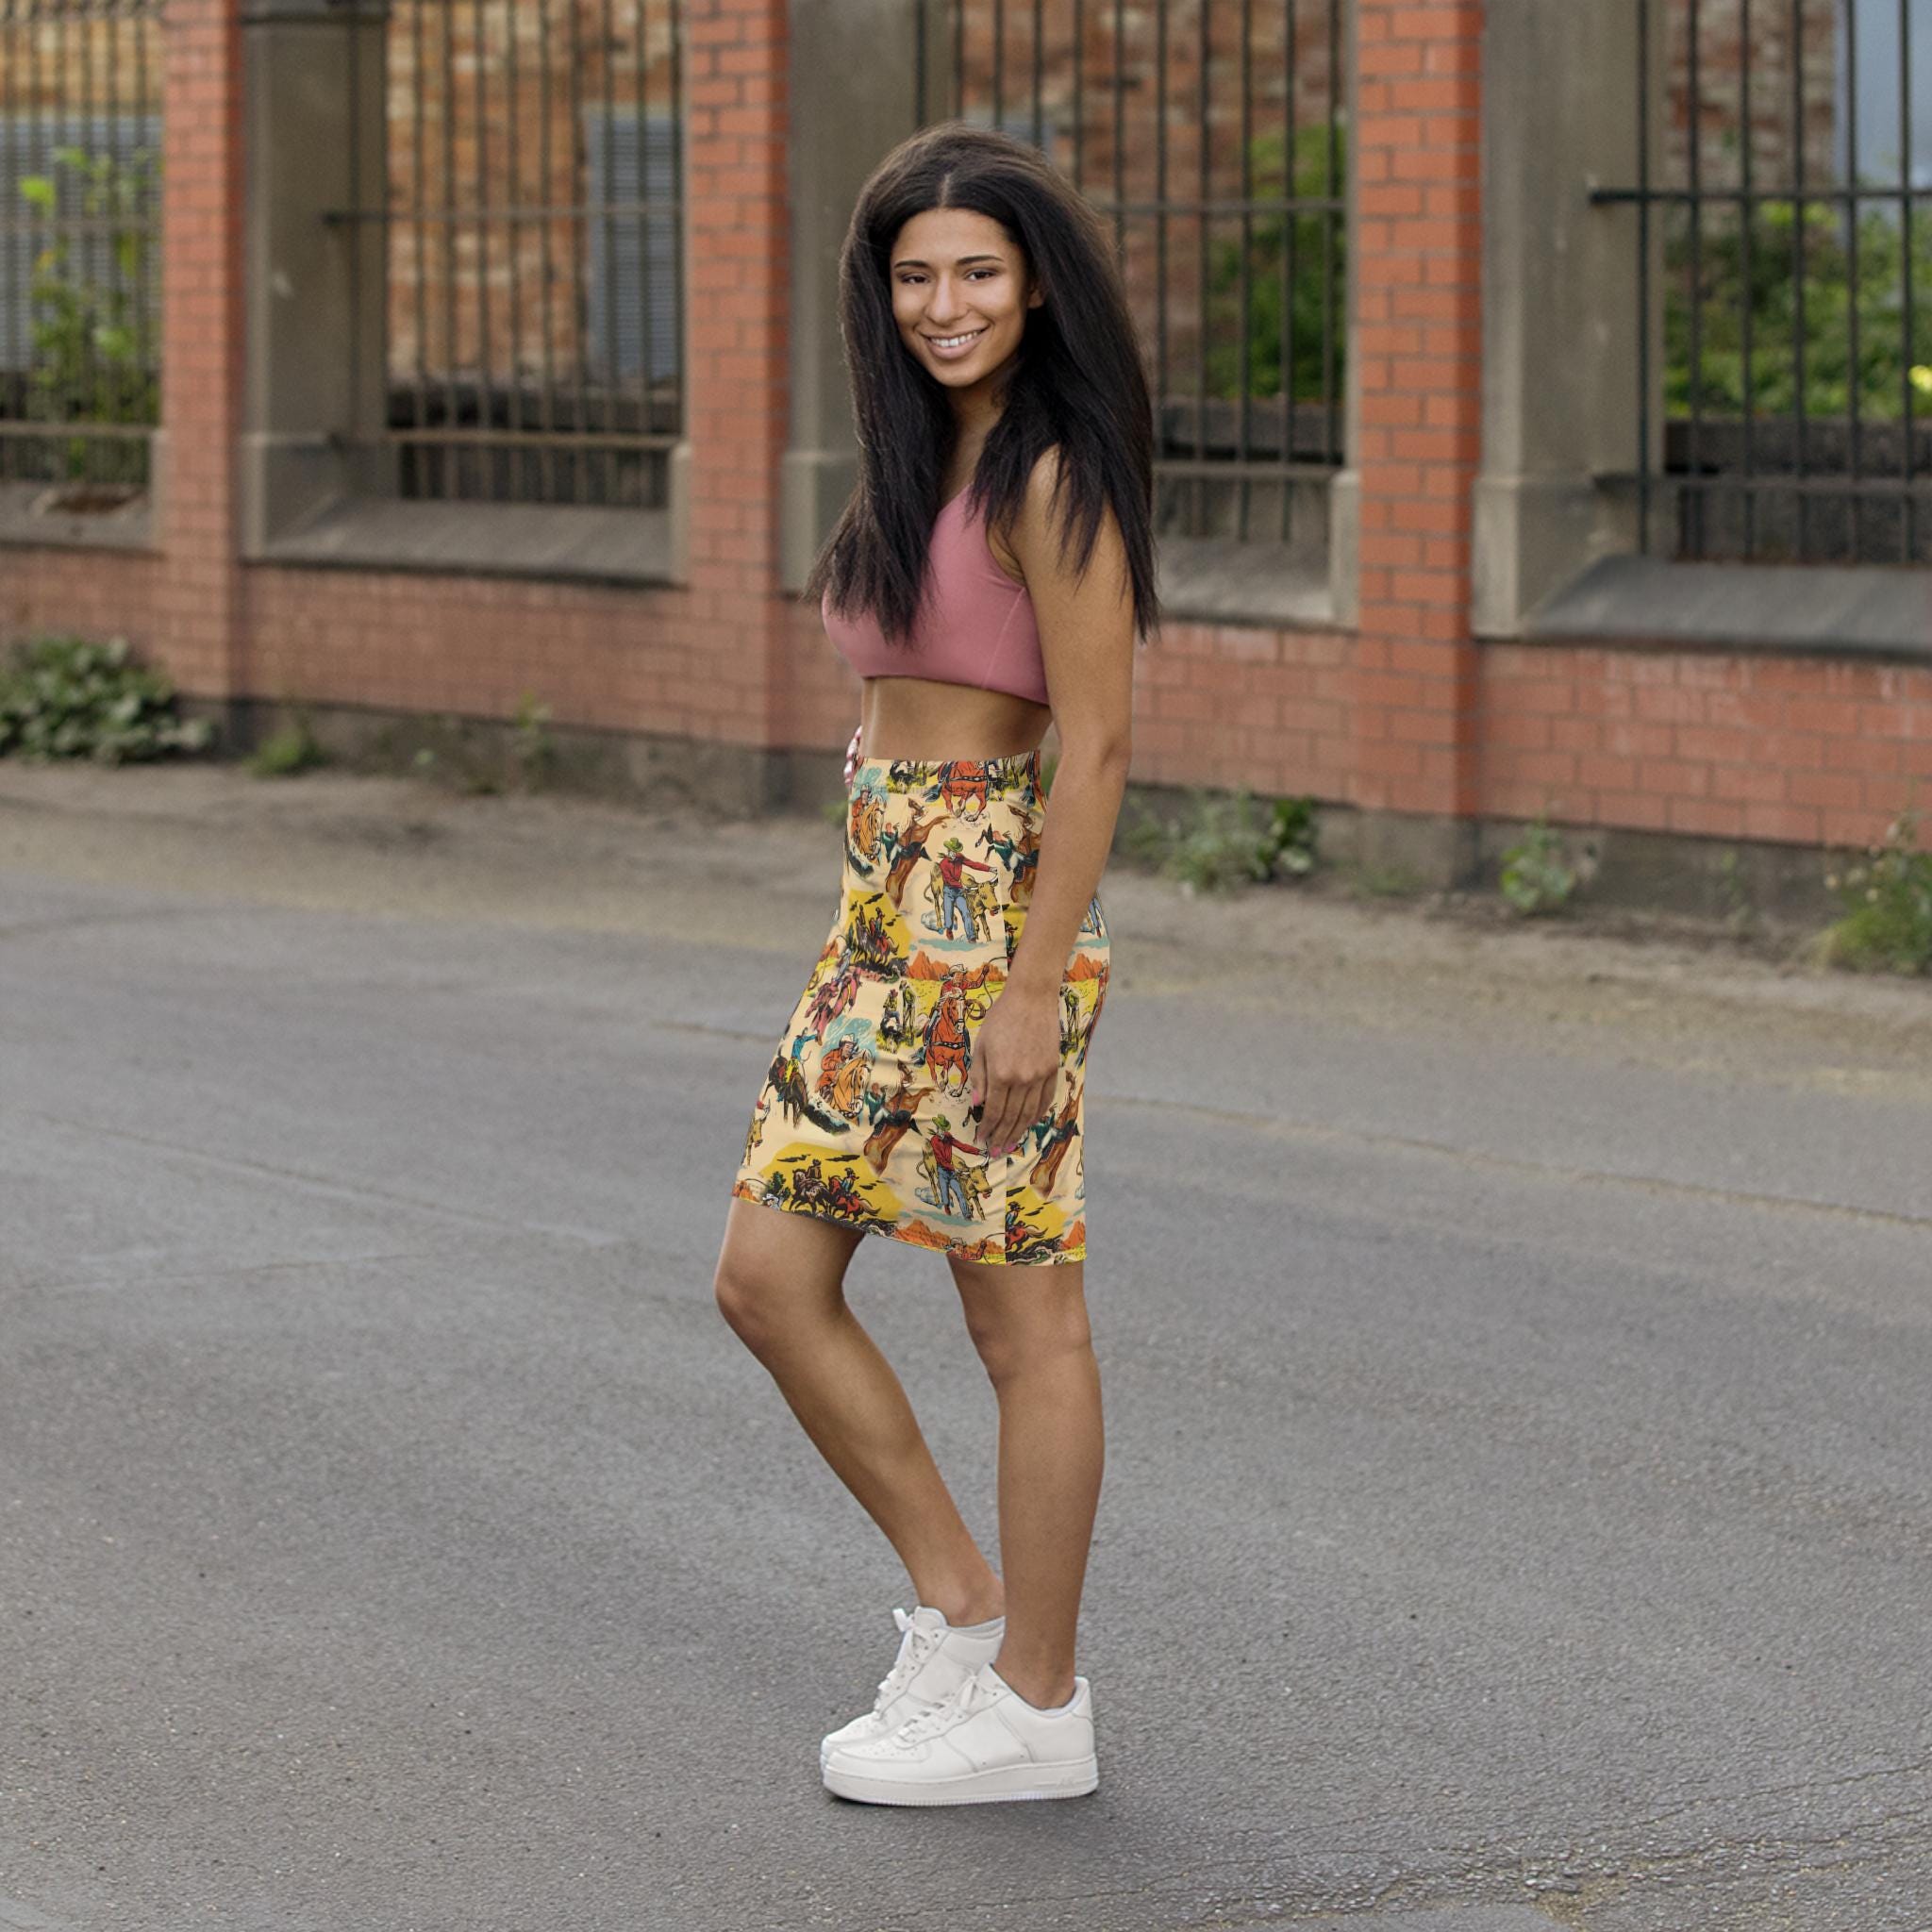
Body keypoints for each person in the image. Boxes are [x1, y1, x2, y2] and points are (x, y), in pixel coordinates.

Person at [713, 120, 1158, 1807]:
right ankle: (960, 1612)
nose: (945, 303)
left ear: (1036, 283)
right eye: (915, 276)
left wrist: (1036, 983)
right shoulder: (918, 467)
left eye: (976, 271)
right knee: (766, 1277)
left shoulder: (1054, 473)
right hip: (878, 924)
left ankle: (1038, 1703)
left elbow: (1101, 745)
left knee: (1021, 1321)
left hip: (989, 935)